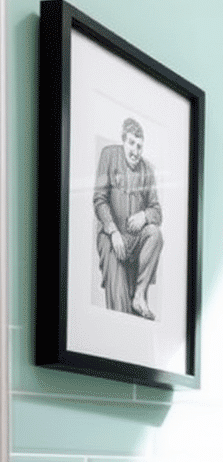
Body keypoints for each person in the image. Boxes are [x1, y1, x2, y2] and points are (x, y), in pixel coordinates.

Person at [92, 117, 163, 319]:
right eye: (131, 143)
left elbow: (157, 211)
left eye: (139, 146)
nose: (135, 151)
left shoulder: (148, 170)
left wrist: (145, 215)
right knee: (120, 311)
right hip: (111, 237)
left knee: (155, 234)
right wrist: (113, 231)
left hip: (135, 241)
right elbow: (99, 199)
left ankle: (140, 295)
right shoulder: (109, 155)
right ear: (123, 140)